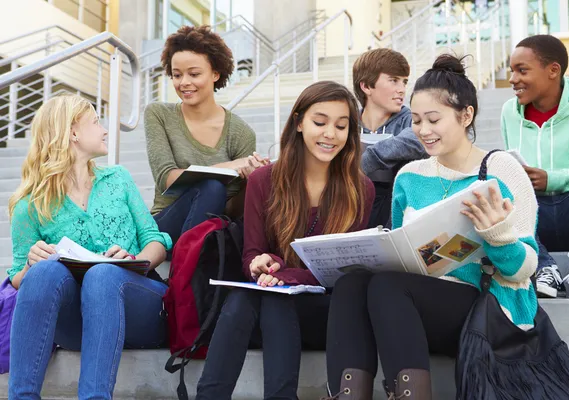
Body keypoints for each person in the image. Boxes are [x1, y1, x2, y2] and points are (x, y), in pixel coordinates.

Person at [325, 55, 538, 399]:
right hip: (416, 303)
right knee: (352, 284)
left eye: (434, 119)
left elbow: (525, 269)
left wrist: (497, 236)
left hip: (486, 306)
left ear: (466, 115)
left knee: (388, 287)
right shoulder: (410, 176)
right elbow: (403, 253)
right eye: (417, 120)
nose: (423, 130)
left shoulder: (501, 170)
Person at [194, 81, 375, 400]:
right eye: (320, 122)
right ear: (299, 123)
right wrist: (258, 263)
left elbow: (341, 272)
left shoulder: (360, 189)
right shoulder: (264, 181)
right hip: (267, 309)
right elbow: (252, 252)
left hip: (326, 313)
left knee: (270, 296)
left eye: (341, 126)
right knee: (249, 297)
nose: (330, 134)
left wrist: (285, 275)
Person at [7, 95, 172, 399]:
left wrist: (134, 260)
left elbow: (156, 240)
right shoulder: (30, 204)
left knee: (103, 275)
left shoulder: (118, 179)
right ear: (73, 132)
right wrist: (32, 263)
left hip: (138, 306)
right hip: (77, 322)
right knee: (43, 273)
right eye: (96, 122)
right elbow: (19, 277)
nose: (105, 130)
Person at [145, 25, 268, 246]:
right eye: (176, 75)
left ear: (215, 74)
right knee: (212, 186)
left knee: (217, 192)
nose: (184, 82)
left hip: (211, 231)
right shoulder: (158, 115)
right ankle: (186, 270)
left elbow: (231, 209)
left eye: (194, 74)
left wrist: (251, 181)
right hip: (163, 227)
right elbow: (166, 179)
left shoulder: (240, 132)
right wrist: (230, 166)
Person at [501, 34, 569, 298]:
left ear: (553, 70)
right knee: (495, 170)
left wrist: (552, 179)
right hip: (533, 218)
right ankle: (544, 267)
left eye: (522, 70)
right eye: (512, 71)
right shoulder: (509, 113)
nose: (513, 79)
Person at [354, 48, 428, 228]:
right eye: (394, 81)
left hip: (395, 211)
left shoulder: (411, 120)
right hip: (353, 204)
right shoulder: (347, 122)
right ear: (366, 86)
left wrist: (365, 161)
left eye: (404, 82)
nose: (402, 89)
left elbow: (416, 138)